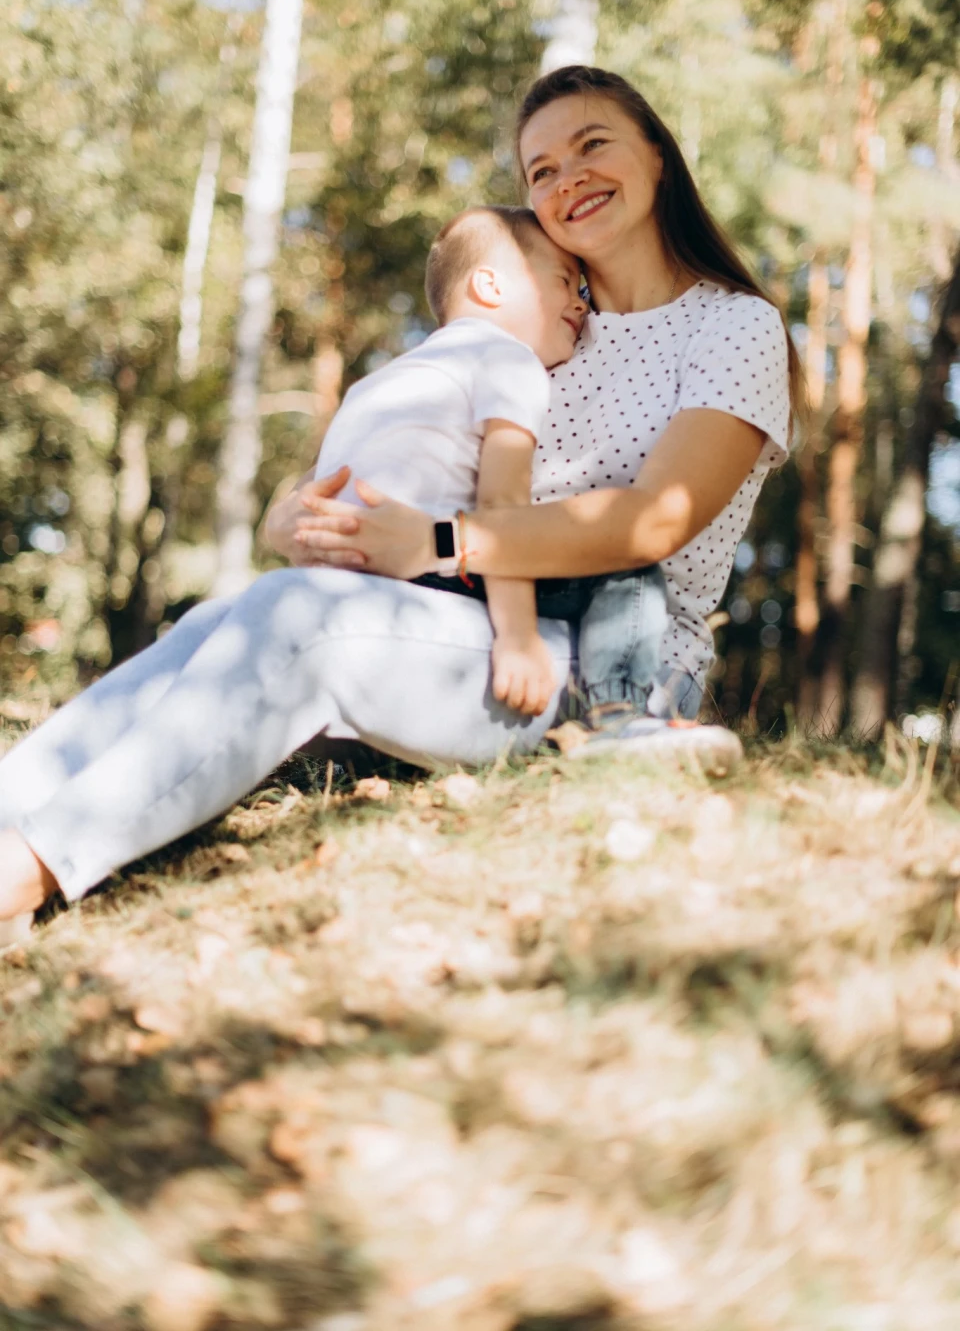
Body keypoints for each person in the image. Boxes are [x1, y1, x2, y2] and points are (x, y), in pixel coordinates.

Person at [0, 63, 799, 935]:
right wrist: (296, 510)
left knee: (306, 618)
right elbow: (414, 443)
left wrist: (441, 543)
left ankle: (32, 867)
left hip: (614, 668)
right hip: (473, 624)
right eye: (539, 170)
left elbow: (657, 520)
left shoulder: (733, 326)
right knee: (219, 622)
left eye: (592, 144)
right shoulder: (542, 326)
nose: (566, 177)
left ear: (658, 154)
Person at [317, 202, 667, 731]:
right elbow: (502, 507)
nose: (582, 305)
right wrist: (519, 639)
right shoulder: (508, 358)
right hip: (428, 569)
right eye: (566, 282)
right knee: (625, 563)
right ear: (491, 287)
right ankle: (620, 715)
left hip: (342, 573)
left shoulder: (379, 381)